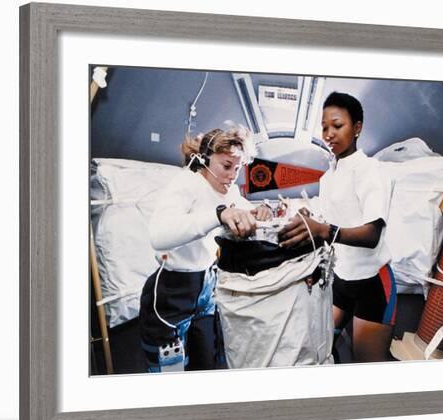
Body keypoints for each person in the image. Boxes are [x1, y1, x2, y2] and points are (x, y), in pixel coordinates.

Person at [139, 125, 272, 372]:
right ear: (205, 159)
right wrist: (218, 215)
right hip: (173, 290)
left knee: (206, 365)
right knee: (171, 374)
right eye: (226, 165)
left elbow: (242, 209)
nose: (233, 175)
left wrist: (263, 211)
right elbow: (158, 235)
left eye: (238, 167)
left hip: (207, 289)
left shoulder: (229, 191)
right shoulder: (187, 183)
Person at [279, 92, 396, 363]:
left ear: (357, 128)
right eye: (324, 126)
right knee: (316, 349)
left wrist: (324, 229)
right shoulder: (328, 177)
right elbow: (331, 227)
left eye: (337, 125)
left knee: (367, 367)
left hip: (371, 283)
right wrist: (314, 220)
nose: (329, 133)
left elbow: (371, 235)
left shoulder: (371, 170)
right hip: (341, 280)